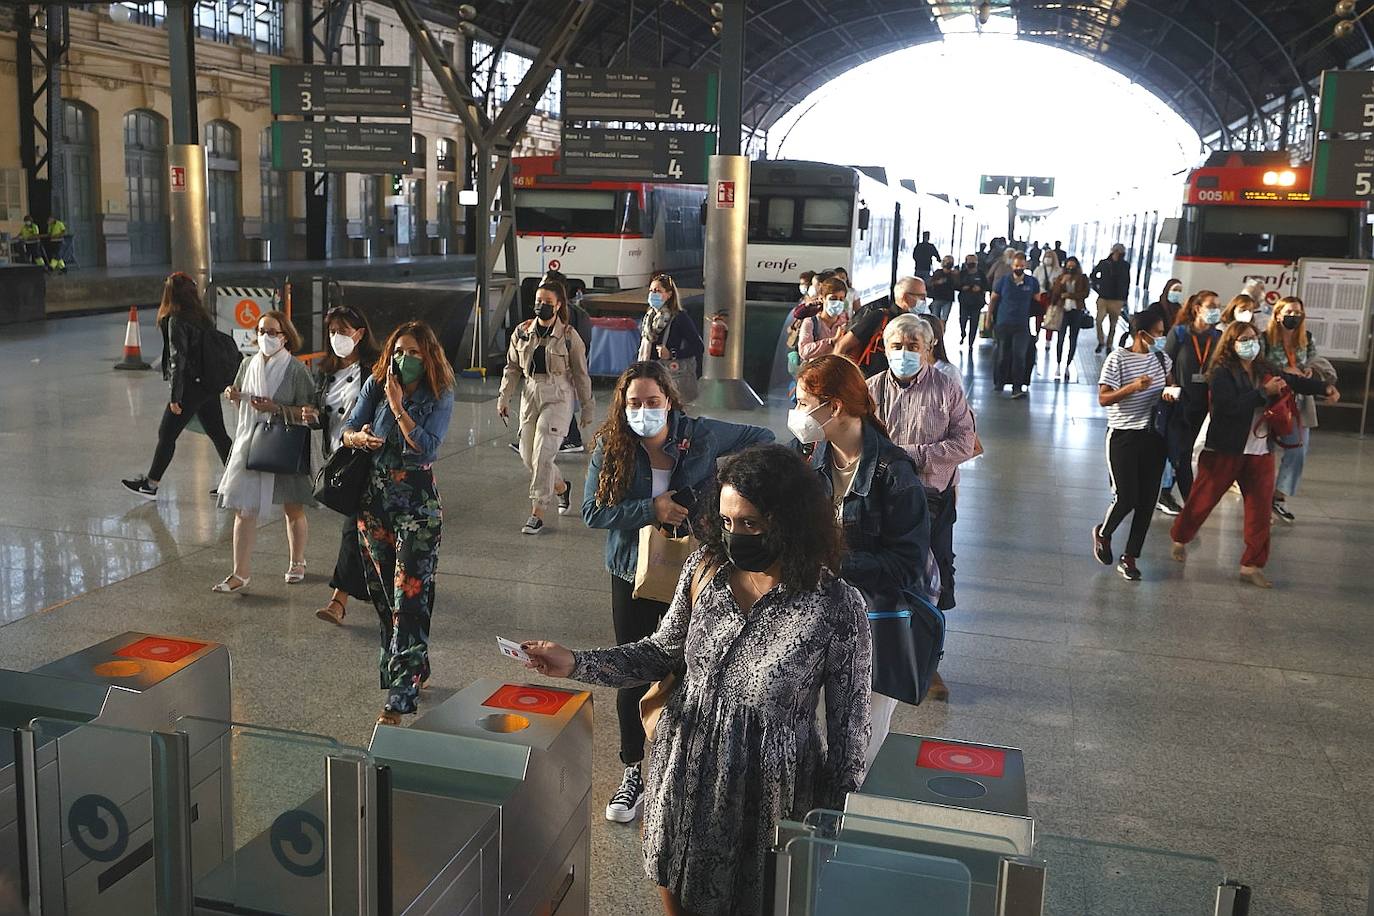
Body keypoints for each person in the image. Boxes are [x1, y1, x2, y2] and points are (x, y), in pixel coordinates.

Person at [527, 444, 869, 916]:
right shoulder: (705, 569)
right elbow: (660, 651)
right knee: (675, 888)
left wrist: (831, 833)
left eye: (749, 523)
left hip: (768, 801)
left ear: (789, 521)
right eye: (727, 522)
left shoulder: (836, 606)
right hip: (684, 773)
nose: (735, 535)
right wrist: (575, 663)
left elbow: (850, 734)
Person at [581, 361, 774, 824]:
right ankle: (633, 771)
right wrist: (652, 508)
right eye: (634, 403)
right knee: (632, 672)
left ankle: (684, 768)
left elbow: (760, 440)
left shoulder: (700, 435)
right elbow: (592, 511)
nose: (643, 411)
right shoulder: (612, 446)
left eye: (652, 402)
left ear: (669, 400)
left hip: (696, 574)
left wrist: (716, 491)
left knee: (690, 670)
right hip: (632, 572)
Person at [793, 355, 933, 763]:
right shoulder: (809, 458)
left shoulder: (893, 473)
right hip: (814, 618)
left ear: (834, 406)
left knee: (860, 742)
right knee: (810, 730)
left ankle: (845, 817)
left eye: (804, 402)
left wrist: (833, 567)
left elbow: (908, 564)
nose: (798, 413)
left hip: (875, 625)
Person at [343, 320, 455, 721]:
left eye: (413, 353)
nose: (404, 359)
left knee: (409, 597)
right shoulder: (376, 382)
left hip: (418, 508)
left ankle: (400, 696)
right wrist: (361, 438)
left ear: (428, 358)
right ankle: (413, 667)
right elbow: (347, 429)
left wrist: (397, 408)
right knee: (385, 600)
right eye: (399, 351)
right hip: (374, 505)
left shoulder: (439, 394)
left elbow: (427, 446)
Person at [1168, 321, 1337, 588]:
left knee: (1259, 510)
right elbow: (1227, 407)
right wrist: (1262, 393)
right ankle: (1180, 536)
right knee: (1202, 499)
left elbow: (1292, 381)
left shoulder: (1264, 368)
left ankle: (1251, 565)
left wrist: (1323, 388)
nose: (1251, 343)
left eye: (1254, 338)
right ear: (1232, 344)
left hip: (1260, 451)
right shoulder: (1221, 372)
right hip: (1225, 449)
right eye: (1244, 339)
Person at [870, 313, 976, 625]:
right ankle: (890, 637)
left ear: (928, 348)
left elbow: (965, 443)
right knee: (888, 568)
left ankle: (930, 642)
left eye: (912, 345)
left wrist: (909, 455)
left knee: (937, 569)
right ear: (885, 348)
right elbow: (860, 441)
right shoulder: (869, 390)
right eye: (896, 345)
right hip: (883, 497)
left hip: (932, 497)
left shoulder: (947, 389)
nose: (904, 353)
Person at [212, 311, 317, 593]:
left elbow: (310, 412)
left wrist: (277, 409)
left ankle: (297, 561)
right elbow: (241, 396)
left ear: (285, 336)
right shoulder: (248, 364)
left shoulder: (296, 370)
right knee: (244, 509)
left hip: (282, 444)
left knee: (292, 506)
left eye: (272, 332)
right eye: (261, 331)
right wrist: (233, 395)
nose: (265, 337)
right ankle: (240, 573)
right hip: (251, 441)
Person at [121, 273, 235, 500]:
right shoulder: (201, 317)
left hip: (191, 388)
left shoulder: (177, 320)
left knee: (167, 433)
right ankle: (236, 481)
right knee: (219, 434)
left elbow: (178, 359)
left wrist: (175, 395)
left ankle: (150, 485)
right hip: (208, 385)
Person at [499, 281, 594, 535]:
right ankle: (562, 486)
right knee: (528, 456)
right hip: (530, 395)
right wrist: (504, 397)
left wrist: (587, 407)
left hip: (558, 396)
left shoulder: (569, 336)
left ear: (558, 305)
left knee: (543, 454)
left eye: (547, 303)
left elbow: (581, 375)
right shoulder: (522, 332)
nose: (541, 307)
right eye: (538, 301)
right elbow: (511, 367)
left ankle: (538, 511)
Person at [1091, 309, 1175, 582]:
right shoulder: (1118, 359)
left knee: (1147, 501)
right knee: (1127, 496)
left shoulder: (1163, 359)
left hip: (1155, 437)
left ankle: (1130, 557)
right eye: (1160, 332)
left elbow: (1170, 388)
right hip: (1124, 436)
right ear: (1143, 334)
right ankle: (1104, 533)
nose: (1162, 338)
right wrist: (1133, 388)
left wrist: (1170, 395)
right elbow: (1104, 398)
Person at [313, 305, 382, 625]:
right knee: (365, 530)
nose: (336, 338)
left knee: (352, 528)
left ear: (359, 334)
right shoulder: (325, 371)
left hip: (367, 458)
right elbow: (321, 412)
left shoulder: (375, 371)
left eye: (342, 331)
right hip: (339, 457)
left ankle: (337, 600)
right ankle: (378, 585)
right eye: (332, 332)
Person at [1264, 296, 1334, 523]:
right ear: (1277, 314)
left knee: (1298, 450)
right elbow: (1261, 364)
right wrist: (1286, 370)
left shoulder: (1306, 339)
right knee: (1265, 452)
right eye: (1289, 312)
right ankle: (1259, 500)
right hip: (1273, 400)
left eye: (1298, 313)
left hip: (1299, 402)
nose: (1294, 316)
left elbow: (1313, 359)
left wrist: (1310, 371)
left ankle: (1279, 497)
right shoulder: (1265, 339)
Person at [1156, 290, 1221, 515]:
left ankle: (1170, 492)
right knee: (1179, 449)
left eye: (1217, 306)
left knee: (1186, 447)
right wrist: (1170, 385)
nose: (1215, 311)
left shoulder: (1216, 337)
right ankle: (1186, 498)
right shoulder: (1180, 333)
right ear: (1197, 308)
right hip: (1179, 400)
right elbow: (1165, 362)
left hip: (1202, 401)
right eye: (1211, 306)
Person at [542, 270, 593, 453]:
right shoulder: (577, 312)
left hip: (564, 366)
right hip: (567, 365)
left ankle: (572, 438)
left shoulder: (566, 315)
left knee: (561, 399)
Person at [836, 275, 924, 377]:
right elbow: (842, 345)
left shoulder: (917, 323)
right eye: (921, 296)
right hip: (867, 380)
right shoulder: (879, 317)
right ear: (905, 297)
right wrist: (837, 378)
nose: (923, 301)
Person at [638, 273, 704, 400]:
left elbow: (698, 347)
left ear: (669, 294)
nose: (653, 294)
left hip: (669, 376)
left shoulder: (679, 318)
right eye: (651, 291)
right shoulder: (649, 317)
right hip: (648, 373)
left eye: (657, 291)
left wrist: (672, 354)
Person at [988, 251, 1039, 398]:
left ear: (1026, 265)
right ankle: (1000, 382)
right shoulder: (1003, 281)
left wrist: (1037, 326)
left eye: (1022, 265)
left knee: (1019, 355)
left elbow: (1037, 303)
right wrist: (989, 318)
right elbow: (993, 299)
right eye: (1017, 265)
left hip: (1022, 325)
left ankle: (1017, 386)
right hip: (1003, 323)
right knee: (1003, 354)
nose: (1019, 268)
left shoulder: (1032, 282)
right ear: (1012, 265)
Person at [1049, 256, 1090, 380]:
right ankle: (1058, 364)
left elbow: (1085, 293)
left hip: (1076, 311)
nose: (1070, 269)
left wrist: (1071, 295)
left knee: (1073, 338)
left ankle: (1067, 365)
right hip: (1063, 310)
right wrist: (1061, 283)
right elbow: (1055, 293)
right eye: (1068, 267)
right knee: (1060, 337)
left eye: (1073, 267)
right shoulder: (1061, 277)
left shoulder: (1082, 278)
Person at [1090, 243, 1131, 353]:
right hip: (1103, 298)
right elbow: (1093, 275)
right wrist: (1098, 286)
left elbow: (1127, 282)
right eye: (1117, 251)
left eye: (1120, 252)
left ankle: (1109, 345)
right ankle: (1101, 341)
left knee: (1113, 325)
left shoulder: (1125, 265)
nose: (1118, 254)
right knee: (1098, 321)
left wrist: (1125, 298)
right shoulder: (1104, 263)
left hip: (1117, 300)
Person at [797, 275, 850, 359]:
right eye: (833, 298)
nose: (838, 302)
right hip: (817, 370)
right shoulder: (811, 322)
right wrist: (831, 342)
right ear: (822, 298)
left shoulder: (847, 322)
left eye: (841, 299)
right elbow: (804, 352)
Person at [956, 253, 988, 348]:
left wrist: (980, 288)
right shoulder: (962, 273)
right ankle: (963, 333)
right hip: (964, 301)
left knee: (974, 323)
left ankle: (971, 343)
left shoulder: (981, 274)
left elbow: (986, 285)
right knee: (962, 320)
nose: (971, 264)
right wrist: (963, 287)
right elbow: (957, 285)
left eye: (973, 262)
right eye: (969, 262)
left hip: (977, 302)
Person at [1033, 249, 1063, 348]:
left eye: (1050, 257)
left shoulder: (1059, 271)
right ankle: (1037, 333)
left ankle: (1048, 340)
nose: (1048, 259)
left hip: (1052, 297)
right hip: (1040, 295)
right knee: (1038, 316)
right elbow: (1034, 281)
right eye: (1046, 256)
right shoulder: (1039, 269)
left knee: (1050, 317)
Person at [927, 255, 959, 323]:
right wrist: (938, 282)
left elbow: (957, 285)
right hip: (937, 298)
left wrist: (956, 276)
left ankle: (941, 331)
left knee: (944, 319)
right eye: (947, 261)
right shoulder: (938, 272)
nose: (948, 263)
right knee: (935, 319)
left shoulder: (953, 274)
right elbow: (930, 283)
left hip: (948, 298)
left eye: (950, 261)